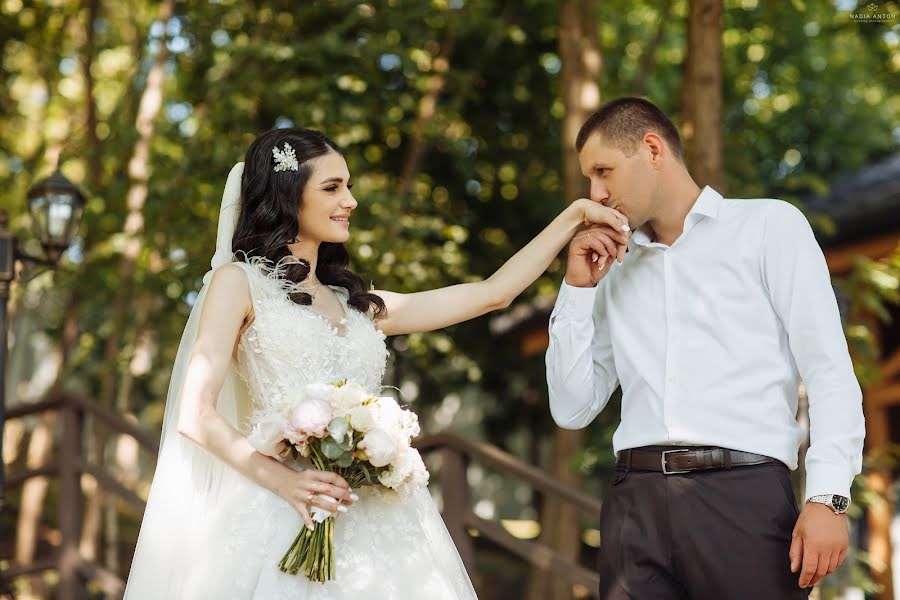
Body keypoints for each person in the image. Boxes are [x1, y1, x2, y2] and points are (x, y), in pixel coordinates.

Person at [123, 127, 629, 599]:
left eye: (349, 186)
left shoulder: (357, 304)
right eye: (333, 187)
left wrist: (573, 218)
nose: (351, 201)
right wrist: (285, 481)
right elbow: (194, 414)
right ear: (289, 194)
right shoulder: (238, 284)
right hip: (280, 508)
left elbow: (491, 294)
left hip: (383, 523)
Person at [545, 97, 865, 599]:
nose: (596, 194)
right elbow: (571, 408)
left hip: (745, 499)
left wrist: (828, 497)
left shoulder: (768, 227)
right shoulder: (612, 265)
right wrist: (577, 291)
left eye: (603, 172)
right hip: (635, 506)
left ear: (652, 148)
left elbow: (829, 372)